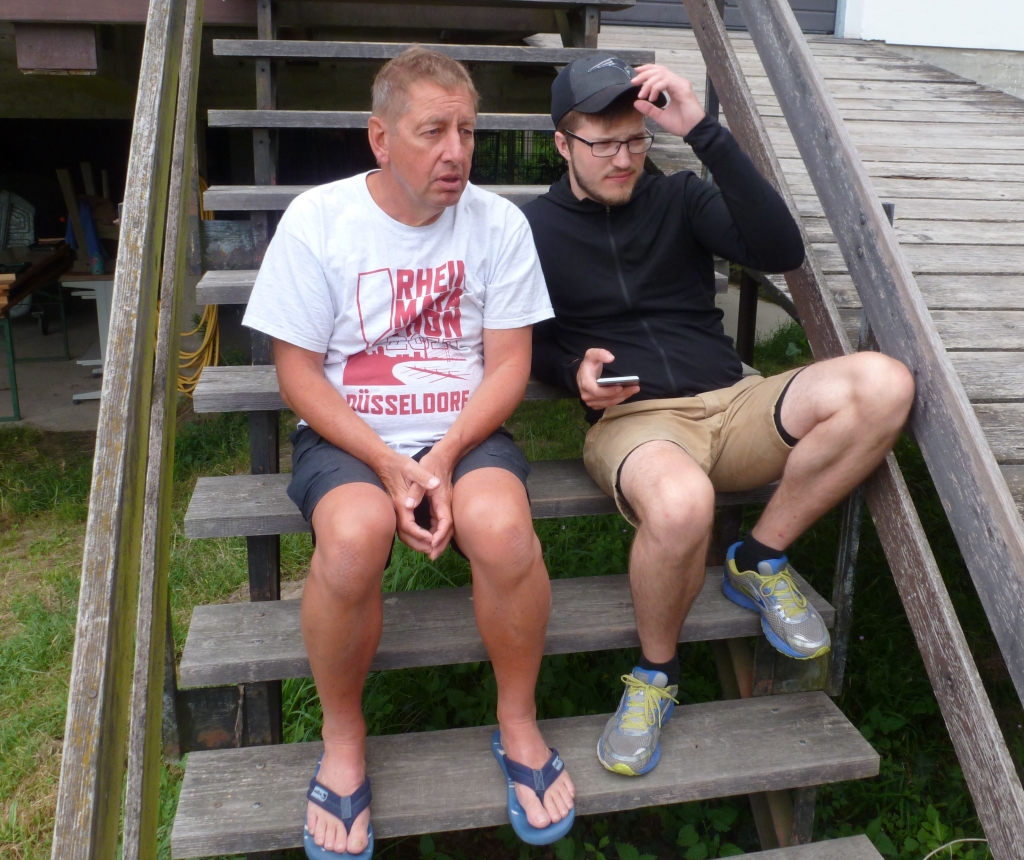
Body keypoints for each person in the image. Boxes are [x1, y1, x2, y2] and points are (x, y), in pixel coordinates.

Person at [524, 54, 915, 779]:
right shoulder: (530, 227)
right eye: (603, 144)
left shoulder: (679, 195)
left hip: (734, 401)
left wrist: (704, 131)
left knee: (884, 384)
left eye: (634, 140)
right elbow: (525, 342)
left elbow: (780, 249)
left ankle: (758, 557)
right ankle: (656, 674)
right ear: (562, 144)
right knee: (682, 505)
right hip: (636, 421)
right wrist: (572, 372)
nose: (623, 159)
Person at [243, 47, 575, 859]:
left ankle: (518, 720)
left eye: (467, 130)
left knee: (503, 530)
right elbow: (297, 374)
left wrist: (447, 455)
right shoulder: (319, 221)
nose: (456, 151)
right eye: (433, 131)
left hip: (463, 429)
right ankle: (343, 736)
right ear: (380, 138)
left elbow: (510, 365)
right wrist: (390, 465)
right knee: (353, 538)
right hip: (350, 434)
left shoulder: (498, 225)